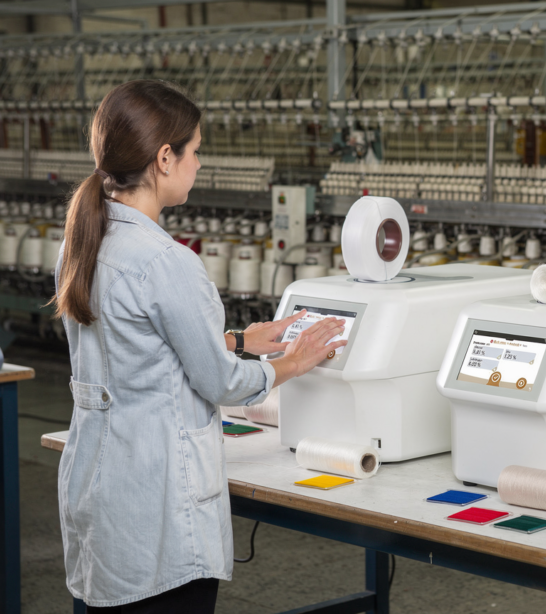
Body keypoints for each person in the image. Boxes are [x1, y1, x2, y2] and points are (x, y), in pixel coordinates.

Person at [52, 79, 346, 612]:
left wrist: (237, 339)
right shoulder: (167, 261)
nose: (199, 163)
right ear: (165, 158)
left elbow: (133, 346)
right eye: (195, 151)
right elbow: (223, 383)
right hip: (158, 506)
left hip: (100, 489)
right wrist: (292, 362)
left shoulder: (82, 243)